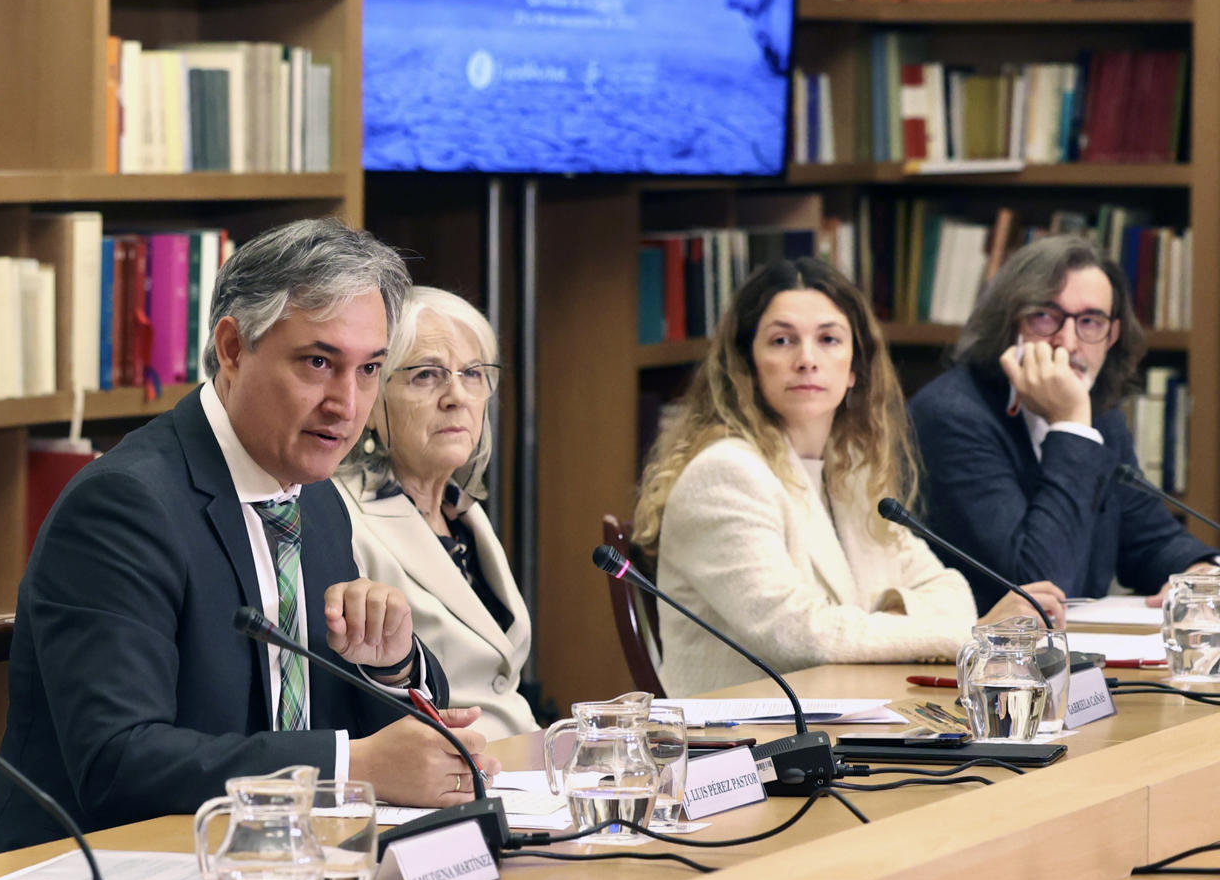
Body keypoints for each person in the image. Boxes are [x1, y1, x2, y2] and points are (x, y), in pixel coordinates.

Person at [0, 219, 497, 856]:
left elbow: (356, 729)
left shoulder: (317, 496)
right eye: (319, 362)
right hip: (100, 877)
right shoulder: (125, 507)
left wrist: (389, 667)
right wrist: (349, 766)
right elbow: (117, 761)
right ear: (233, 348)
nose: (346, 404)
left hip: (275, 860)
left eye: (368, 370)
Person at [631, 258, 1063, 697]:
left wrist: (884, 621)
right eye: (782, 341)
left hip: (843, 723)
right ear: (747, 364)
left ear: (855, 365)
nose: (806, 360)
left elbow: (948, 590)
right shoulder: (725, 475)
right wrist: (969, 636)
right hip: (742, 747)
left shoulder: (852, 474)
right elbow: (800, 635)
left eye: (828, 339)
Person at [911, 235, 1215, 600]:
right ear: (1008, 324)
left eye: (1090, 321)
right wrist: (1069, 423)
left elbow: (1149, 541)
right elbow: (1039, 586)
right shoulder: (952, 415)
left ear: (1111, 336)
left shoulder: (1102, 416)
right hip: (985, 654)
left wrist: (1201, 575)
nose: (1068, 342)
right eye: (1044, 317)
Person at [338, 287, 535, 740]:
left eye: (472, 374)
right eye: (427, 375)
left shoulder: (462, 511)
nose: (456, 396)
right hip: (441, 774)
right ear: (372, 400)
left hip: (521, 770)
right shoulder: (344, 518)